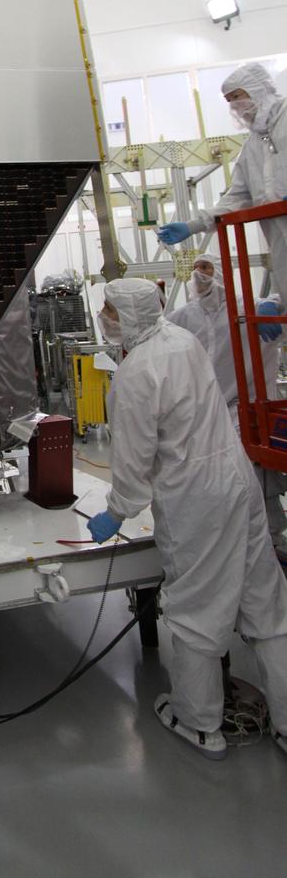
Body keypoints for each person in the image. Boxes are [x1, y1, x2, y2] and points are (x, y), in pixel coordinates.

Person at [87, 278, 287, 760]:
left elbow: (134, 466)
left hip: (195, 498)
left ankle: (200, 723)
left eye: (110, 311)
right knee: (268, 605)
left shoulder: (135, 376)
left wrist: (116, 512)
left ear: (129, 315)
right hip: (237, 480)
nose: (105, 318)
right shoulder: (183, 339)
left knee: (197, 610)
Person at [166, 256, 287, 554]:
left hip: (247, 412)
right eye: (196, 268)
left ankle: (271, 543)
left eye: (206, 267)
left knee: (258, 483)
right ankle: (235, 547)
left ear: (221, 270)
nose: (199, 274)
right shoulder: (185, 316)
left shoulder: (251, 309)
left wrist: (274, 301)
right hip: (206, 416)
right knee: (218, 487)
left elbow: (283, 305)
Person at [157, 62, 286, 322]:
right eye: (229, 101)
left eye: (237, 97)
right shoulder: (252, 146)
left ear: (257, 88)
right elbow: (237, 197)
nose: (235, 107)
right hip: (280, 240)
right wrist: (194, 224)